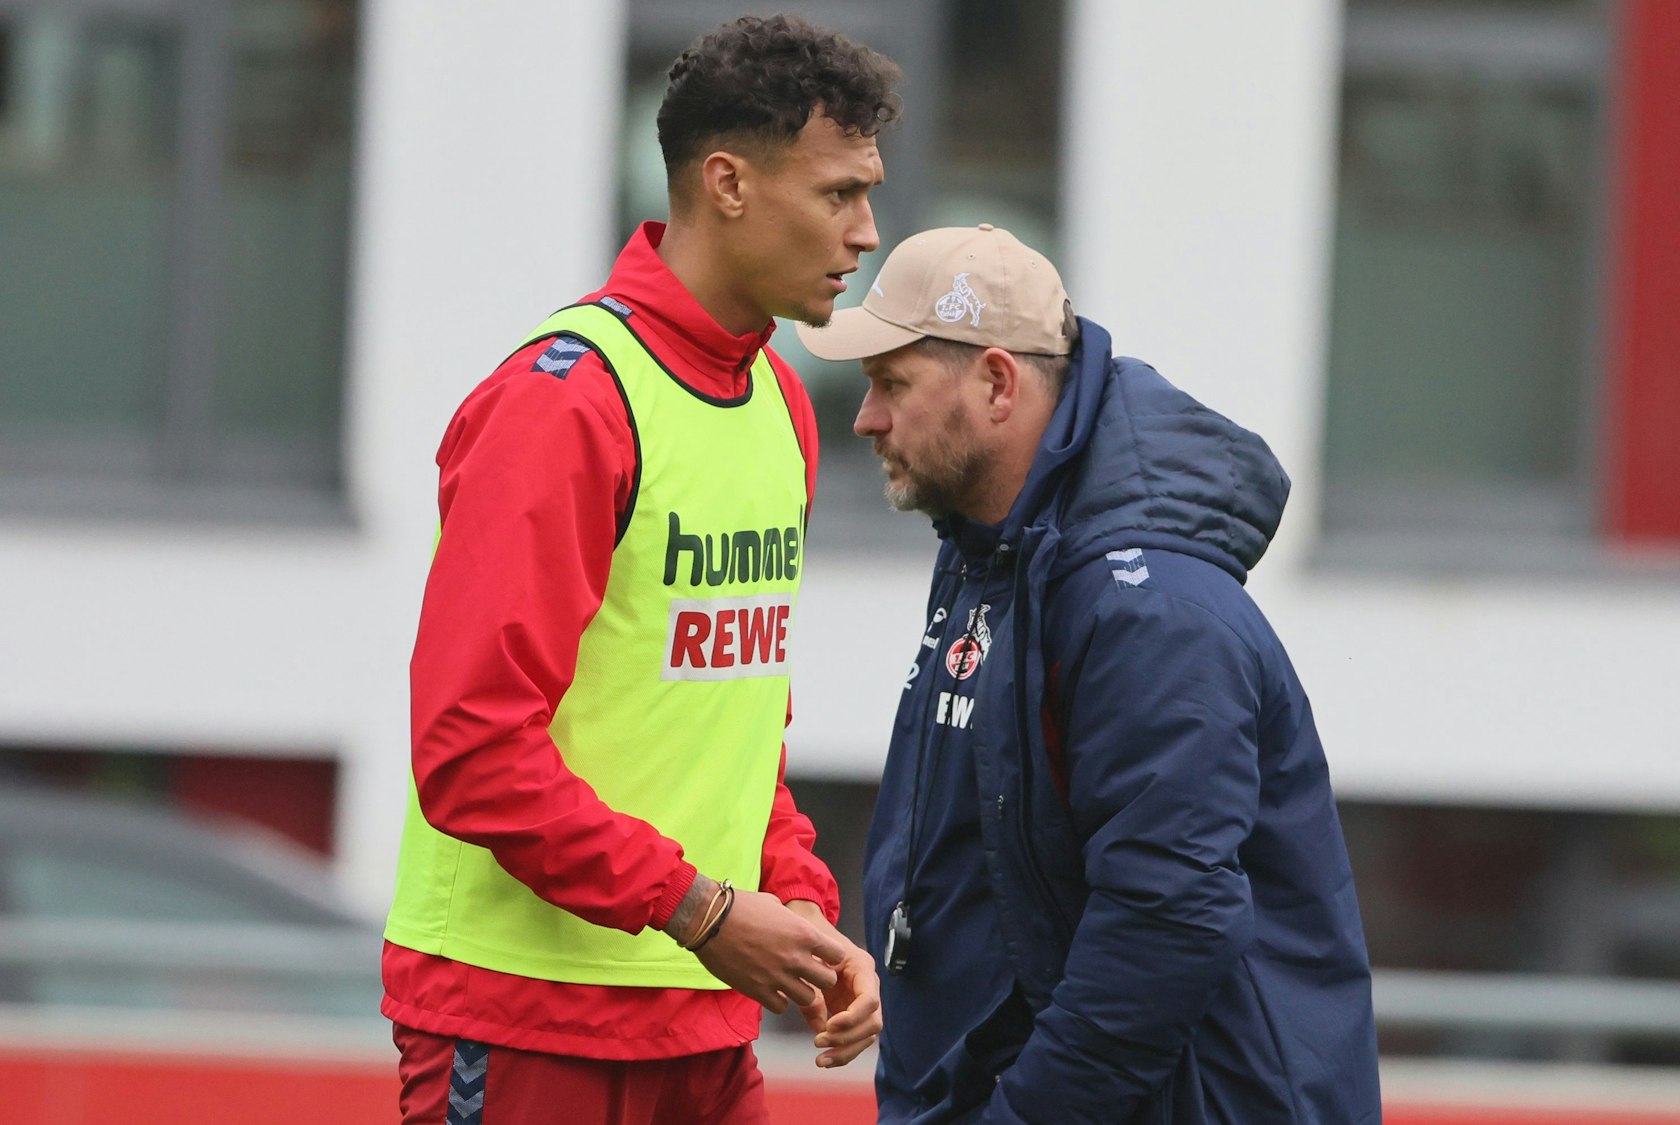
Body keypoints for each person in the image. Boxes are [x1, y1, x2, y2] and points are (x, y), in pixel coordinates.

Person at [380, 16, 897, 1124]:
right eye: (839, 194)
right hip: (523, 1016)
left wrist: (799, 906)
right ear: (728, 183)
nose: (865, 233)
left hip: (698, 1021)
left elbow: (729, 724)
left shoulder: (781, 403)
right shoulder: (564, 402)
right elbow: (471, 748)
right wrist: (706, 912)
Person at [797, 225, 1381, 1123]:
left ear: (998, 383)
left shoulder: (1147, 609)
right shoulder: (992, 553)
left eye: (893, 383)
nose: (866, 418)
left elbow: (1168, 921)